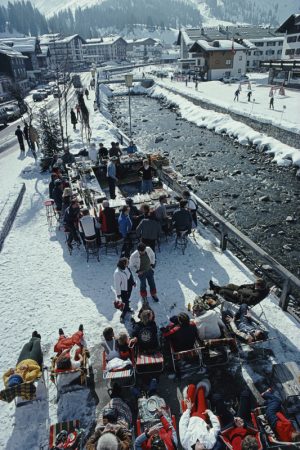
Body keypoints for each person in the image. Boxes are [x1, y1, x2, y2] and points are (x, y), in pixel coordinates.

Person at [179, 379, 220, 450]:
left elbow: (182, 424)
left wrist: (188, 410)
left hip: (190, 416)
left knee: (191, 387)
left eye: (199, 444)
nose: (201, 441)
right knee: (201, 390)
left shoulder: (185, 443)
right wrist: (211, 415)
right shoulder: (210, 444)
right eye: (204, 447)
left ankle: (187, 395)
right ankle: (197, 393)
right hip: (202, 416)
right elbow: (217, 428)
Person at [114, 257, 136, 322]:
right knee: (125, 302)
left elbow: (130, 275)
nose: (128, 263)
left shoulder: (126, 268)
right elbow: (117, 284)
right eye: (127, 262)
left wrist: (133, 282)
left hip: (129, 286)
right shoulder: (117, 273)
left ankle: (127, 308)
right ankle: (122, 316)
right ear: (123, 263)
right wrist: (118, 294)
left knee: (127, 299)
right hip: (123, 290)